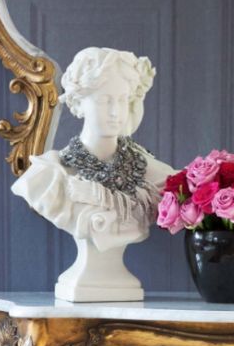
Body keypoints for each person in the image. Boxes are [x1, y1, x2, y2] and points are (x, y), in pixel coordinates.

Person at [12, 47, 176, 301]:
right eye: (104, 100)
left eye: (122, 100)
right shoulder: (48, 176)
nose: (115, 112)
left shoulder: (154, 173)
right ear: (79, 102)